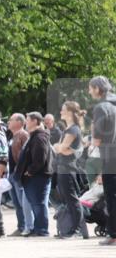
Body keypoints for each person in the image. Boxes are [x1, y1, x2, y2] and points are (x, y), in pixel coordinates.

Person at [13, 112, 54, 237]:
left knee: (39, 204)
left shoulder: (39, 137)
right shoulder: (34, 136)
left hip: (38, 177)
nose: (25, 122)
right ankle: (37, 229)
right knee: (35, 204)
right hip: (34, 177)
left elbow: (40, 159)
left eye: (28, 119)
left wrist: (30, 171)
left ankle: (42, 230)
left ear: (35, 121)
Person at [52, 102, 88, 239]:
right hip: (63, 168)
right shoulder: (69, 129)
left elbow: (61, 148)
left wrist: (60, 147)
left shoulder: (73, 130)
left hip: (68, 169)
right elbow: (62, 149)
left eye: (63, 110)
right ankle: (71, 229)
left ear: (70, 112)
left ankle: (77, 230)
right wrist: (61, 148)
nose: (61, 112)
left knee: (72, 200)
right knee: (68, 200)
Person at [89, 76, 116, 245]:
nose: (89, 92)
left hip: (111, 157)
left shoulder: (101, 107)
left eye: (90, 88)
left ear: (97, 89)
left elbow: (97, 140)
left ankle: (113, 234)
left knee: (111, 196)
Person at [6, 113, 32, 235]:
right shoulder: (12, 136)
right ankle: (21, 226)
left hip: (19, 173)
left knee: (23, 202)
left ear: (19, 122)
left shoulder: (23, 135)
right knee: (16, 203)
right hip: (12, 173)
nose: (8, 122)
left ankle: (29, 226)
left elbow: (27, 154)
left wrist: (22, 171)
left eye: (11, 120)